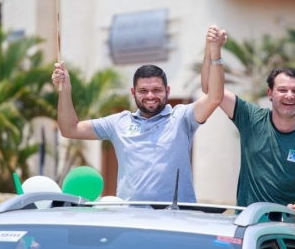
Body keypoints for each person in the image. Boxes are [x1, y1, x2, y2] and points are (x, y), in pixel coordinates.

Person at [51, 25, 226, 202]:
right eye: (143, 91)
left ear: (167, 91)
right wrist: (65, 89)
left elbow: (214, 97)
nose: (150, 96)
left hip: (176, 217)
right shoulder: (118, 123)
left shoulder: (182, 118)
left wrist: (214, 51)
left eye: (157, 90)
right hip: (131, 219)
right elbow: (70, 129)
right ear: (133, 93)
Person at [200, 29, 295, 235]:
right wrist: (213, 50)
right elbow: (212, 91)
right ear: (270, 93)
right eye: (282, 90)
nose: (289, 95)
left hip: (291, 232)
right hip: (248, 229)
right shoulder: (251, 118)